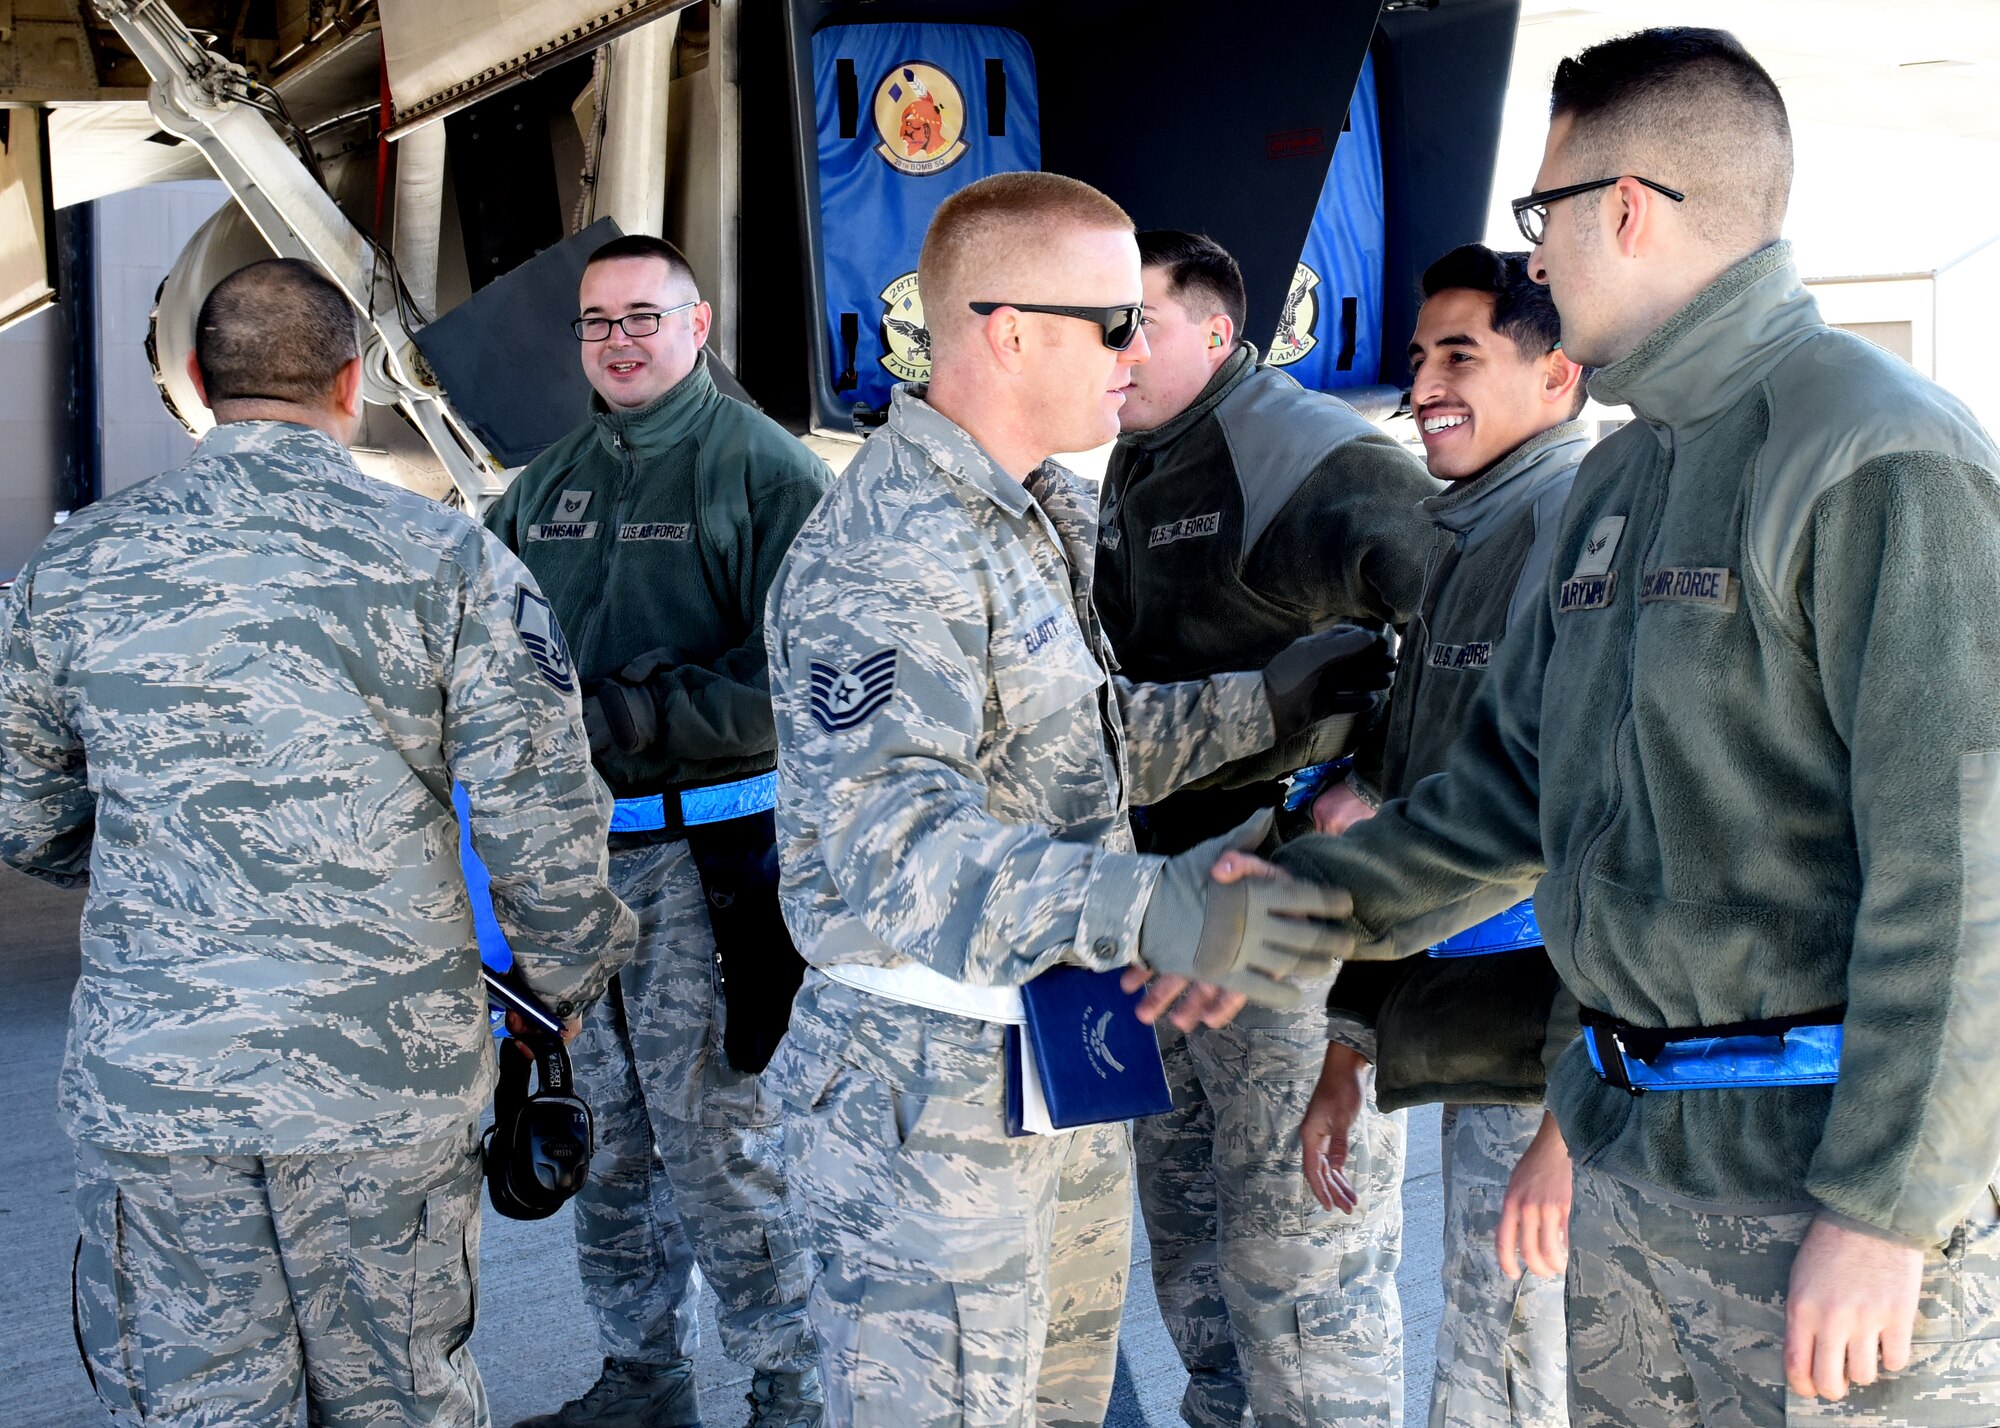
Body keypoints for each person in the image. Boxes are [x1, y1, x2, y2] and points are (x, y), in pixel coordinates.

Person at [1189, 27, 2000, 1428]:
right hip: (1636, 1171)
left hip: (1816, 1205)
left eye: (1542, 214)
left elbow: (1968, 866)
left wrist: (1890, 1207)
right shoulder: (1623, 478)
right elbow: (1510, 792)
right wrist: (1301, 908)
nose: (1538, 255)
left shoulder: (1879, 454)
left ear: (1625, 205)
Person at [763, 171, 1360, 1428]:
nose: (1135, 351)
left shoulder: (1028, 511)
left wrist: (1268, 704)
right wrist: (1155, 905)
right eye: (1112, 322)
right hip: (922, 1094)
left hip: (1047, 1050)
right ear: (1007, 329)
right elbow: (894, 844)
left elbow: (1070, 749)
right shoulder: (888, 547)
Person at [0, 257, 635, 1428]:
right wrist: (560, 980)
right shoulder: (447, 562)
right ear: (352, 384)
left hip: (160, 1077)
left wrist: (171, 864)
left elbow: (28, 814)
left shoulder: (75, 567)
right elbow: (541, 819)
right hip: (384, 1081)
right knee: (398, 1395)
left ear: (194, 381)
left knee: (200, 1404)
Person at [485, 233, 831, 1428]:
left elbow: (810, 677)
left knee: (719, 1139)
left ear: (697, 326)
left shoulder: (765, 472)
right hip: (571, 870)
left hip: (707, 864)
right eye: (598, 322)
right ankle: (641, 1374)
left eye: (644, 317)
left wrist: (646, 708)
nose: (620, 341)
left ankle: (789, 1387)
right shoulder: (544, 486)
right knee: (604, 1138)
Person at [1095, 228, 1438, 1428]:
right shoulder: (1141, 457)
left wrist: (1375, 792)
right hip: (1163, 913)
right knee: (1189, 1238)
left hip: (1282, 921)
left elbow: (1474, 637)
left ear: (1217, 332)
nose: (1111, 345)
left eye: (1135, 319)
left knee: (1303, 1271)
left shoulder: (1312, 457)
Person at [1301, 243, 1589, 1428]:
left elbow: (1585, 836)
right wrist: (1344, 1047)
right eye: (1417, 356)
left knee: (1521, 1351)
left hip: (1553, 1031)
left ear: (1557, 373)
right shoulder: (1468, 532)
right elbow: (1402, 793)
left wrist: (1569, 1135)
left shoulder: (1565, 524)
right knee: (1488, 1339)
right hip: (1472, 1011)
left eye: (1457, 355)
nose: (1420, 384)